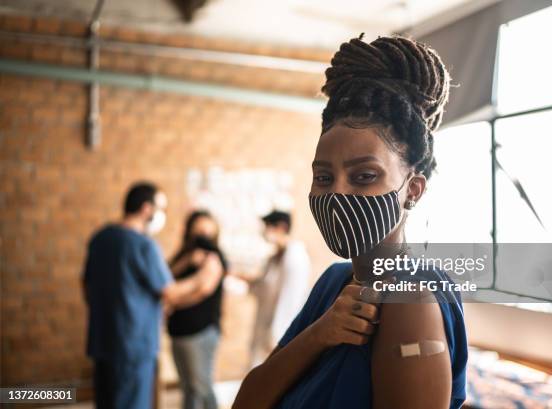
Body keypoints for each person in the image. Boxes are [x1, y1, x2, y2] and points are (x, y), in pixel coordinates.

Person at [233, 35, 468, 409]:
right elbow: (247, 401)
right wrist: (321, 334)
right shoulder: (333, 282)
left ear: (413, 190)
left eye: (363, 177)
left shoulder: (410, 302)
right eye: (324, 178)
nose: (338, 195)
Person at [82, 182, 223, 409]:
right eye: (161, 209)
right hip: (134, 346)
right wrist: (204, 276)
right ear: (147, 209)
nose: (162, 215)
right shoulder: (143, 245)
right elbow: (169, 291)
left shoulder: (100, 239)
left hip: (104, 341)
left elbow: (87, 289)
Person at [167, 210, 227, 409]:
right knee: (188, 388)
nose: (202, 234)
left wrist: (172, 300)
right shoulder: (184, 255)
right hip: (179, 332)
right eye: (198, 229)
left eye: (207, 229)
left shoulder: (214, 257)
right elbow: (165, 276)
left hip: (200, 332)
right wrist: (188, 260)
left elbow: (202, 289)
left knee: (201, 387)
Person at [247, 211, 311, 368]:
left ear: (281, 227)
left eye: (268, 227)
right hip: (264, 330)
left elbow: (291, 300)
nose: (264, 232)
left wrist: (277, 337)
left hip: (279, 335)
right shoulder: (273, 259)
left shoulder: (295, 257)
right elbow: (262, 289)